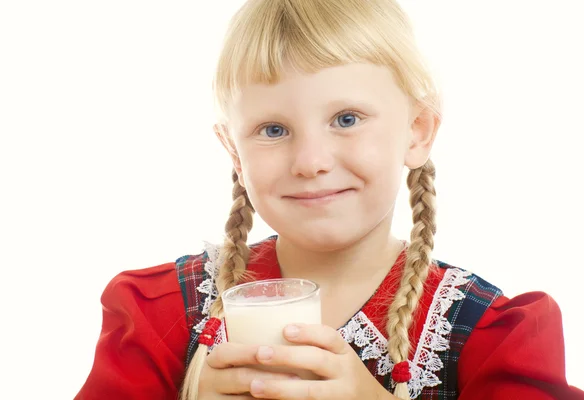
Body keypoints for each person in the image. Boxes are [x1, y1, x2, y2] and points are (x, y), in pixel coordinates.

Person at [75, 0, 584, 399]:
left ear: (417, 130)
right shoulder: (161, 315)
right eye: (273, 129)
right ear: (233, 149)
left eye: (346, 119)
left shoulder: (493, 338)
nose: (310, 161)